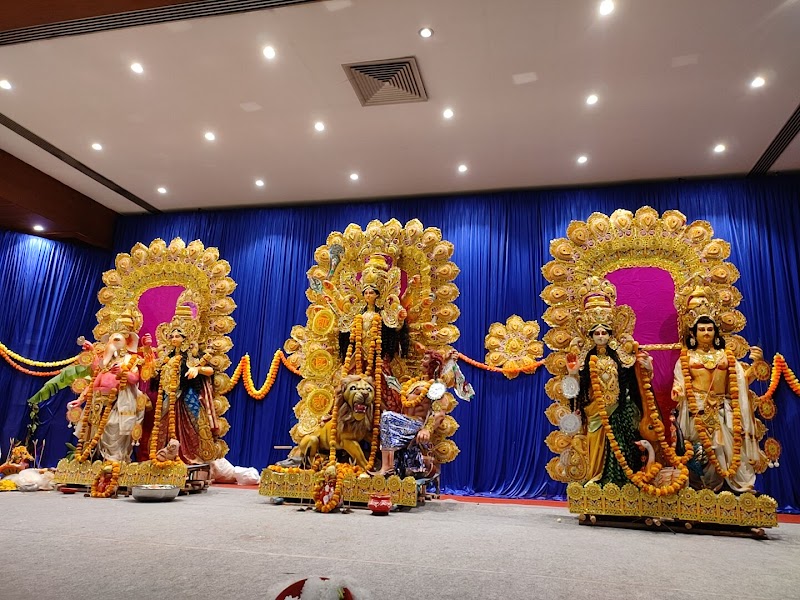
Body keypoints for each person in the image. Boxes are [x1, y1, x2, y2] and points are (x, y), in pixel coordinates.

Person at [672, 307, 764, 493]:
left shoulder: (726, 356)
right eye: (702, 329)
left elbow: (740, 383)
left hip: (723, 409)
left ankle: (730, 488)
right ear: (693, 333)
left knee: (728, 450)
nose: (706, 333)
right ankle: (701, 488)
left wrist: (757, 365)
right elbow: (680, 382)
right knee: (700, 450)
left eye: (709, 329)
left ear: (715, 332)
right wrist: (678, 391)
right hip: (697, 409)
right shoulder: (686, 357)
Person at [567, 323, 652, 486]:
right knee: (595, 446)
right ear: (591, 337)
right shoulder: (585, 361)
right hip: (594, 411)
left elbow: (638, 381)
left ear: (610, 335)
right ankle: (594, 478)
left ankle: (619, 482)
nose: (600, 336)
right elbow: (573, 391)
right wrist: (573, 373)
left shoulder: (621, 359)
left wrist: (647, 367)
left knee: (621, 446)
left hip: (618, 409)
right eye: (597, 333)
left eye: (604, 332)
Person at [149, 305, 220, 464]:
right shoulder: (167, 357)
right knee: (164, 422)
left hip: (187, 392)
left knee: (194, 421)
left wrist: (197, 369)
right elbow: (155, 374)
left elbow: (210, 370)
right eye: (172, 336)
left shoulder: (194, 356)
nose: (174, 339)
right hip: (168, 395)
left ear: (185, 338)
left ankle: (195, 456)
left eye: (178, 336)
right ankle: (164, 455)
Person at [68, 323, 145, 463]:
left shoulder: (131, 360)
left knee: (113, 427)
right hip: (97, 404)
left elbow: (135, 379)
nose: (111, 343)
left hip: (118, 404)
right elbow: (94, 384)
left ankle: (114, 461)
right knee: (92, 431)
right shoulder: (106, 363)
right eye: (110, 340)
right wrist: (80, 400)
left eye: (117, 340)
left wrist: (123, 373)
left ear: (127, 342)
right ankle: (94, 461)